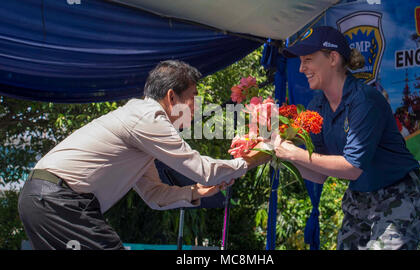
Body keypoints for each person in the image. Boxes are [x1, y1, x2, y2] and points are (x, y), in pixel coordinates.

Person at [18, 60, 269, 250]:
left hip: (46, 201)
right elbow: (203, 169)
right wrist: (255, 157)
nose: (196, 106)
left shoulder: (141, 128)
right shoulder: (147, 117)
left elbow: (152, 194)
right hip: (56, 201)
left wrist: (194, 192)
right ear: (172, 96)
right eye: (193, 98)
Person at [276, 26, 420, 250]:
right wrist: (278, 155)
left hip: (400, 195)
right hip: (359, 199)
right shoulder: (317, 106)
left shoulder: (364, 100)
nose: (301, 69)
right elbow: (318, 175)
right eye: (300, 62)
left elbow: (352, 167)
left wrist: (294, 153)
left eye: (308, 59)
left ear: (333, 58)